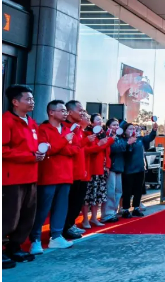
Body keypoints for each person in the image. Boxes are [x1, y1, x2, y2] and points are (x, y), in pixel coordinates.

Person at [29, 100, 80, 254]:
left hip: (66, 174)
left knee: (61, 207)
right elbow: (45, 150)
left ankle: (56, 236)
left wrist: (57, 147)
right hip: (49, 175)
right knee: (43, 209)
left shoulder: (67, 129)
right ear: (51, 112)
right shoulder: (43, 129)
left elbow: (76, 149)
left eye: (65, 111)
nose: (65, 113)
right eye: (62, 110)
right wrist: (63, 142)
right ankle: (35, 239)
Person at [2, 85, 44, 269]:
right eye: (28, 99)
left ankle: (15, 247)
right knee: (9, 215)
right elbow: (3, 149)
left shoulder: (31, 122)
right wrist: (29, 156)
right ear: (15, 102)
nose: (32, 102)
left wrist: (40, 153)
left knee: (27, 215)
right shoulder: (6, 121)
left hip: (31, 176)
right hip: (12, 178)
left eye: (32, 99)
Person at [62, 100, 92, 240]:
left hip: (80, 172)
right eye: (80, 110)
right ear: (70, 112)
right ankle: (64, 228)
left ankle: (70, 225)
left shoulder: (78, 129)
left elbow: (79, 149)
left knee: (77, 201)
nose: (82, 113)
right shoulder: (65, 128)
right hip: (69, 172)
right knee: (68, 202)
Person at [81, 114, 114, 228]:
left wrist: (107, 166)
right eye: (97, 120)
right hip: (92, 169)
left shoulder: (103, 134)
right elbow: (91, 150)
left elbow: (107, 152)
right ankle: (85, 219)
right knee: (88, 196)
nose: (100, 122)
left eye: (101, 120)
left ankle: (94, 218)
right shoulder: (87, 134)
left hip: (102, 169)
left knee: (98, 196)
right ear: (91, 123)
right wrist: (108, 141)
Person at [121, 121, 157, 218]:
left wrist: (154, 131)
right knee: (127, 190)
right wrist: (129, 143)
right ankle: (125, 209)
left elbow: (149, 138)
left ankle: (136, 208)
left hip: (140, 168)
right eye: (130, 129)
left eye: (133, 128)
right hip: (128, 170)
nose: (133, 130)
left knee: (138, 189)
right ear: (125, 131)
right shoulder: (123, 141)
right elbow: (125, 151)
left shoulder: (140, 139)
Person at [100, 118, 126, 223]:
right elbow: (112, 150)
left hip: (119, 167)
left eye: (117, 125)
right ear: (108, 126)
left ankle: (113, 212)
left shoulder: (120, 137)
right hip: (111, 167)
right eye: (114, 125)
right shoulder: (107, 137)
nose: (116, 127)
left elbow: (124, 148)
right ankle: (107, 214)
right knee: (110, 191)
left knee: (118, 191)